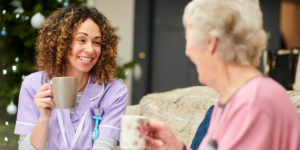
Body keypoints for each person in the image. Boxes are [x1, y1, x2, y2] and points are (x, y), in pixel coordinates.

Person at [145, 0, 300, 150]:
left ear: (211, 43)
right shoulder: (231, 97)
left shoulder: (253, 103)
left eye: (188, 38)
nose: (187, 50)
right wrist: (177, 147)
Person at [14, 5, 128, 150]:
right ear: (61, 43)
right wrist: (43, 118)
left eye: (97, 42)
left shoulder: (115, 92)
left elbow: (104, 147)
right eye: (81, 40)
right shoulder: (33, 84)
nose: (90, 50)